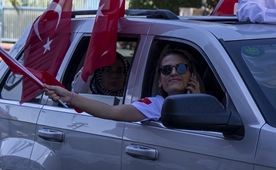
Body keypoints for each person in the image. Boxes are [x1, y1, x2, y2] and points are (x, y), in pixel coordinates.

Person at [45, 48, 198, 123]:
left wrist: (199, 102)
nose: (173, 73)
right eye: (166, 70)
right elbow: (111, 112)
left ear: (192, 75)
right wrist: (70, 96)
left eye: (181, 68)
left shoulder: (209, 106)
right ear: (159, 81)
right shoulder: (155, 105)